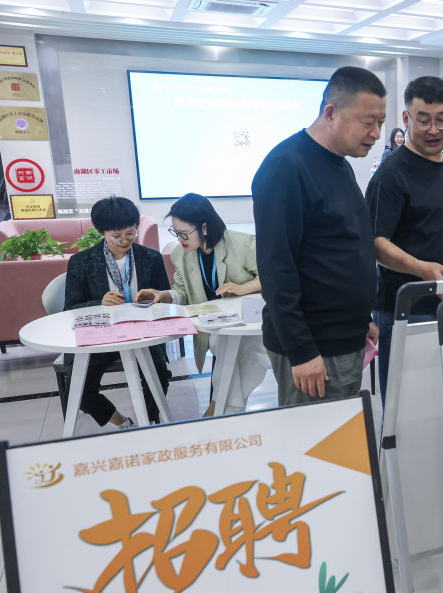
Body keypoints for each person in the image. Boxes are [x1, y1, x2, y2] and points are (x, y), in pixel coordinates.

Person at [251, 66, 384, 405]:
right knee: (314, 436)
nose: (376, 133)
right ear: (331, 113)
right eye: (368, 122)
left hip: (342, 336)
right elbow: (276, 268)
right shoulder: (286, 167)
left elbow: (340, 248)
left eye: (381, 123)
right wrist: (301, 350)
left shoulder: (339, 163)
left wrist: (360, 320)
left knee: (339, 431)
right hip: (315, 349)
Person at [366, 76, 443, 398]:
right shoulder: (390, 175)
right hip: (404, 310)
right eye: (424, 120)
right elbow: (376, 243)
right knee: (404, 406)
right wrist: (421, 269)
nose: (434, 130)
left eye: (442, 120)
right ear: (406, 118)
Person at [136, 193, 268, 417]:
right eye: (175, 233)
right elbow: (182, 291)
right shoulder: (181, 254)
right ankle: (221, 412)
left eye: (184, 233)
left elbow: (272, 276)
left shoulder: (243, 244)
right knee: (224, 348)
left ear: (204, 227)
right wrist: (164, 295)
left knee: (231, 350)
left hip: (249, 326)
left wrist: (243, 287)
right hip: (217, 327)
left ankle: (216, 410)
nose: (180, 239)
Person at [64, 195, 171, 428]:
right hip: (101, 335)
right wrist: (98, 303)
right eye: (117, 236)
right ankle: (122, 423)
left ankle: (149, 422)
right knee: (77, 385)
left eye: (130, 233)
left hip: (143, 332)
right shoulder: (81, 262)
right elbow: (70, 308)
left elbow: (166, 296)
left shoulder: (151, 258)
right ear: (102, 231)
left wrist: (158, 296)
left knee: (159, 373)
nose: (125, 240)